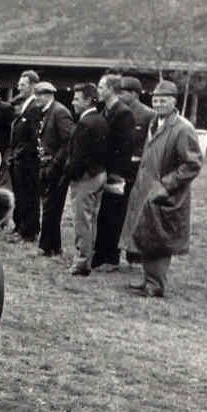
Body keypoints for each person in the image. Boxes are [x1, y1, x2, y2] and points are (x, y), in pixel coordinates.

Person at [119, 80, 203, 297]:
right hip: (146, 189)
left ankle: (156, 284)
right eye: (155, 100)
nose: (158, 104)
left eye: (163, 100)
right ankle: (148, 279)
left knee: (160, 238)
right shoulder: (154, 123)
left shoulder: (183, 128)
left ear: (174, 102)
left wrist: (167, 185)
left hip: (165, 192)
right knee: (147, 235)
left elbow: (192, 164)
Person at [65, 83, 110, 276]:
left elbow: (78, 157)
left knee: (82, 221)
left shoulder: (85, 123)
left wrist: (70, 175)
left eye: (76, 99)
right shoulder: (101, 120)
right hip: (98, 174)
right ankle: (88, 258)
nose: (73, 102)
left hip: (85, 178)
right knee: (91, 220)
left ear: (88, 100)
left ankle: (82, 261)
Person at [91, 74, 135, 272]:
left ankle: (111, 258)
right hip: (104, 170)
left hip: (116, 173)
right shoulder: (105, 111)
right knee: (103, 215)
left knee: (114, 215)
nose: (98, 91)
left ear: (111, 89)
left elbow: (125, 147)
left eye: (101, 87)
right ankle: (100, 255)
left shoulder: (123, 113)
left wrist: (116, 174)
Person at [117, 76, 155, 265]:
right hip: (119, 168)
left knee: (136, 211)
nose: (119, 96)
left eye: (123, 92)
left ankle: (134, 252)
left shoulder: (148, 115)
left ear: (134, 94)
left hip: (137, 170)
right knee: (118, 210)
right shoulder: (117, 111)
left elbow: (151, 144)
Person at [36, 81, 75, 257]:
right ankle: (54, 246)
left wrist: (55, 163)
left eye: (39, 95)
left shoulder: (59, 112)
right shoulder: (47, 112)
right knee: (50, 206)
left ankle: (46, 246)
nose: (36, 98)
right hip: (48, 165)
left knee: (51, 206)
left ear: (48, 95)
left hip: (57, 168)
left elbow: (68, 142)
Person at [7, 71, 44, 242]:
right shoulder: (25, 106)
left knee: (29, 196)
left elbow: (33, 137)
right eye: (19, 84)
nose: (19, 88)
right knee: (20, 195)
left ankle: (29, 231)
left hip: (28, 161)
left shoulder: (34, 107)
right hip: (19, 159)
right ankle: (20, 226)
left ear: (32, 86)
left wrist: (19, 153)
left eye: (22, 85)